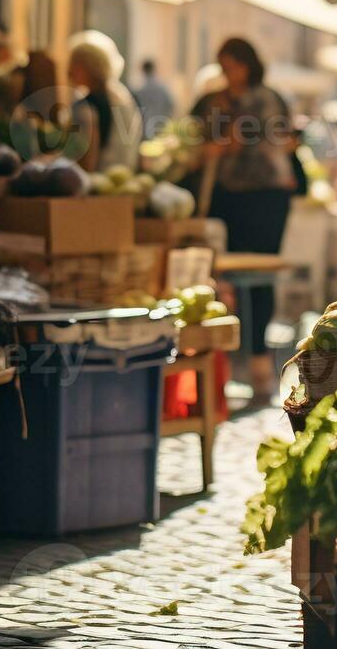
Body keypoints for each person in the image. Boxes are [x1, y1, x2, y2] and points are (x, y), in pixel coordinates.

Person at [192, 38, 296, 404]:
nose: (227, 74)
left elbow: (244, 140)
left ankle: (258, 365)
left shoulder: (261, 98)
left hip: (264, 196)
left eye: (231, 66)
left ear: (247, 65)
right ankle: (246, 364)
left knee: (258, 276)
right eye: (222, 67)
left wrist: (223, 134)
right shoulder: (219, 99)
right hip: (232, 196)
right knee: (234, 277)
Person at [67, 31, 143, 173]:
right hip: (120, 176)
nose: (69, 72)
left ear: (87, 68)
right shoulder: (120, 95)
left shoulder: (89, 105)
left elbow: (86, 158)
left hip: (100, 179)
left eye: (74, 65)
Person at [131, 59, 174, 139]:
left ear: (143, 70)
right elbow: (171, 105)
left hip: (145, 128)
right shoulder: (163, 88)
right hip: (161, 125)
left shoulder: (140, 90)